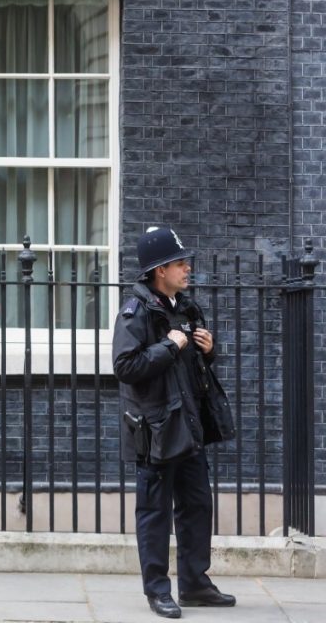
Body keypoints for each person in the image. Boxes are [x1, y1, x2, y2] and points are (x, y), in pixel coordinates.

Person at [113, 226, 237, 619]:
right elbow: (125, 366)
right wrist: (170, 345)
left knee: (197, 505)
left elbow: (192, 369)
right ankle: (157, 590)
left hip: (188, 425)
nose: (187, 269)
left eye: (185, 263)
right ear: (158, 270)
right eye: (180, 263)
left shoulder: (185, 308)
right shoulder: (136, 311)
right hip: (155, 429)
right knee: (154, 511)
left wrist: (209, 350)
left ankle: (196, 584)